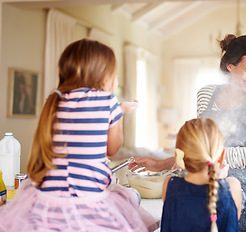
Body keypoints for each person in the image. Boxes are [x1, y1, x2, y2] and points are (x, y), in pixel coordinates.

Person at [0, 39, 157, 232]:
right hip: (88, 197)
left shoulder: (54, 99)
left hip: (47, 197)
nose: (116, 81)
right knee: (130, 197)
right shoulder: (108, 101)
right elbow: (113, 148)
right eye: (114, 75)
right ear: (103, 76)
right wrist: (120, 114)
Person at [129, 34, 246, 232]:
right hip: (202, 193)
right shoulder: (206, 94)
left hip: (244, 194)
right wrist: (160, 164)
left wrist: (213, 155)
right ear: (230, 65)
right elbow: (198, 146)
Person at [161, 118, 242, 232]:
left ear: (178, 156)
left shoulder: (169, 186)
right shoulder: (232, 187)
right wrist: (220, 176)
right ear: (222, 156)